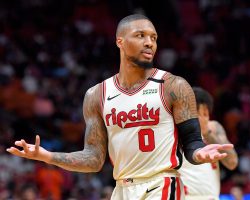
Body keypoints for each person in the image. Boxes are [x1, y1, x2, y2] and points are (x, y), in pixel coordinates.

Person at [6, 14, 233, 200]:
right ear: (120, 41)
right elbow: (94, 159)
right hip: (122, 189)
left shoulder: (174, 86)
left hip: (161, 185)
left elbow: (192, 142)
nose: (149, 42)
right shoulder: (97, 95)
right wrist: (48, 156)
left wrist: (199, 152)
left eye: (153, 37)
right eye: (140, 35)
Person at [179, 87, 238, 200]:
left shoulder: (214, 127)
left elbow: (232, 163)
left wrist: (207, 134)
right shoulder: (176, 130)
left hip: (212, 197)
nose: (205, 118)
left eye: (206, 113)